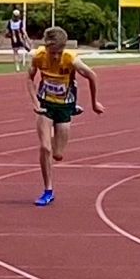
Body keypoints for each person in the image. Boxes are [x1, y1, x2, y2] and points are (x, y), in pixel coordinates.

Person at [25, 26, 103, 206]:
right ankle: (48, 190)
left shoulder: (71, 60)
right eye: (52, 52)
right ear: (46, 48)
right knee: (45, 148)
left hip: (64, 106)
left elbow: (92, 76)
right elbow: (29, 78)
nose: (55, 56)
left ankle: (72, 109)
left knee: (57, 154)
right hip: (45, 104)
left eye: (58, 52)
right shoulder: (38, 57)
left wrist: (94, 103)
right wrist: (35, 103)